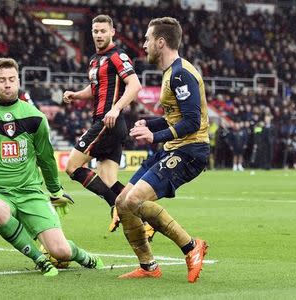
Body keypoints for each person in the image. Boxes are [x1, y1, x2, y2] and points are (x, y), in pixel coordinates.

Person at [0, 58, 103, 276]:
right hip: (0, 193)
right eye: (1, 80)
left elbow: (46, 158)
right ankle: (39, 259)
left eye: (12, 79)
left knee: (61, 251)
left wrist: (55, 189)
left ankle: (83, 257)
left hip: (31, 193)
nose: (7, 84)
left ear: (18, 81)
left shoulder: (35, 117)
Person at [115, 17, 210, 282]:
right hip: (173, 148)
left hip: (190, 151)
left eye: (147, 39)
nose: (143, 44)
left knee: (135, 200)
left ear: (161, 42)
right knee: (123, 203)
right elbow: (176, 117)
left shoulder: (181, 73)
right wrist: (150, 123)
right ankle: (149, 267)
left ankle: (192, 247)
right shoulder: (171, 73)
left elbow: (192, 121)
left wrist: (153, 135)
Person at [62, 15, 144, 233]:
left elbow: (135, 85)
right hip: (108, 124)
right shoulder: (94, 60)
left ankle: (114, 207)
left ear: (112, 32)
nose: (99, 35)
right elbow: (95, 89)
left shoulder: (117, 56)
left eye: (102, 31)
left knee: (72, 167)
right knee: (108, 181)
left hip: (108, 123)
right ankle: (146, 220)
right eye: (95, 31)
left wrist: (115, 109)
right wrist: (76, 95)